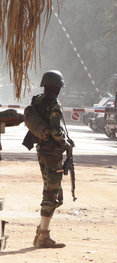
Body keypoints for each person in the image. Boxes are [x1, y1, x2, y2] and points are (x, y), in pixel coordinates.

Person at [32, 70, 71, 248]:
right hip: (52, 154)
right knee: (51, 194)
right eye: (59, 87)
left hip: (41, 151)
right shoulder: (54, 103)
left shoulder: (38, 100)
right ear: (55, 87)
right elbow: (56, 131)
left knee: (51, 192)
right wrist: (66, 143)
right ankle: (43, 237)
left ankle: (41, 231)